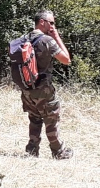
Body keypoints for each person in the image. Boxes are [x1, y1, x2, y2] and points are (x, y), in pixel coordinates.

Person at [18, 10, 72, 159]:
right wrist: (57, 37)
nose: (53, 26)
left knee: (34, 118)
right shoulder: (47, 40)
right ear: (42, 22)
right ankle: (58, 151)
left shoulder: (23, 39)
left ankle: (32, 150)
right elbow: (66, 60)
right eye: (51, 23)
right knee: (51, 119)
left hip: (27, 88)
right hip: (44, 89)